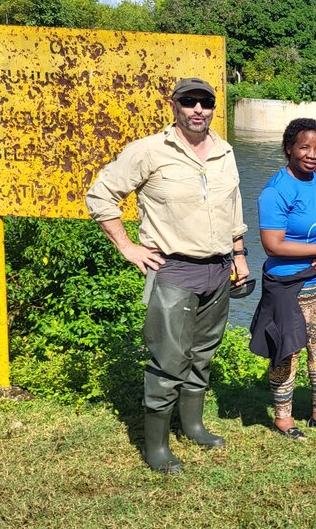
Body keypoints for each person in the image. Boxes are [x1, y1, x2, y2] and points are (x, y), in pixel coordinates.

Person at [86, 77, 250, 473]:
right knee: (168, 361)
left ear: (214, 107)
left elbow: (232, 205)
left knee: (202, 354)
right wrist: (128, 246)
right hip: (174, 269)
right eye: (189, 102)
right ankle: (156, 446)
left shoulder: (224, 151)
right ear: (173, 105)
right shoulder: (149, 151)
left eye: (205, 103)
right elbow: (100, 195)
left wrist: (240, 255)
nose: (198, 109)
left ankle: (192, 423)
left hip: (218, 269)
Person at [249, 118, 316, 440]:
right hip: (290, 284)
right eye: (304, 147)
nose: (312, 154)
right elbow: (272, 244)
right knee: (287, 350)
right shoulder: (276, 190)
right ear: (288, 148)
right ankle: (283, 418)